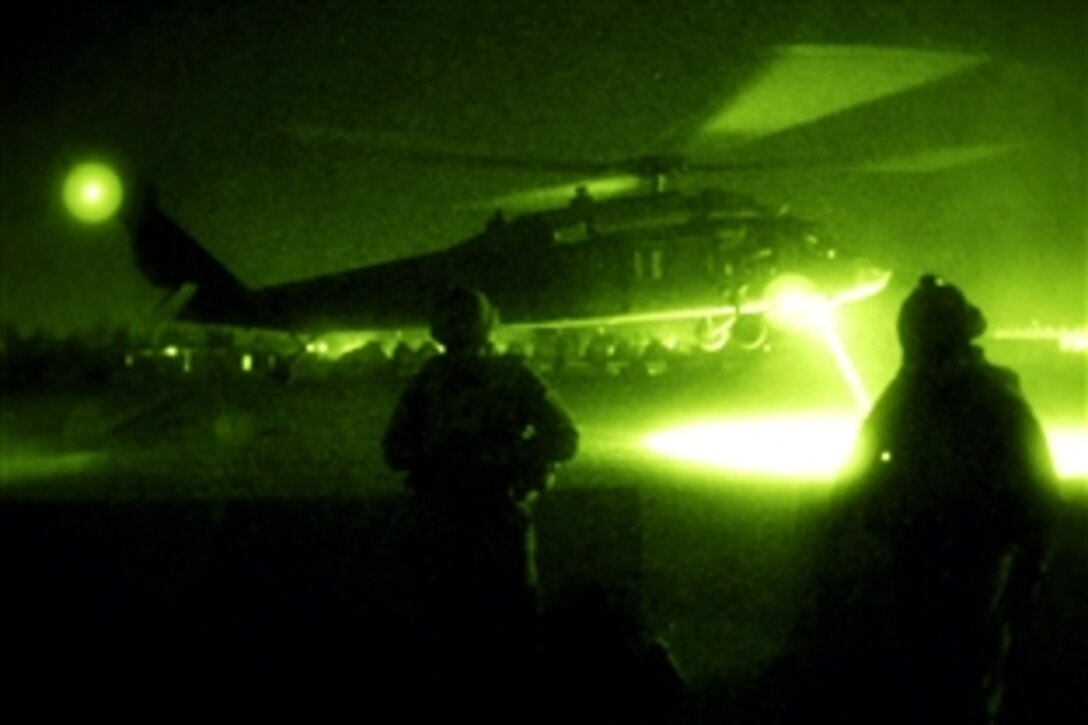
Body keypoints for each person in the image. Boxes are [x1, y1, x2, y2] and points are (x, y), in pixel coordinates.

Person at [809, 274, 1059, 724]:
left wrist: (1027, 571)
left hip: (969, 563)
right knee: (937, 684)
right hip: (929, 559)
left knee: (959, 686)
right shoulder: (931, 394)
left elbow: (1035, 490)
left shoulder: (983, 400)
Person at [381, 286, 578, 712]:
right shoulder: (433, 382)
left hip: (489, 515)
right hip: (455, 519)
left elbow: (564, 437)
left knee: (499, 631)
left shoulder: (504, 378)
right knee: (467, 629)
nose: (457, 327)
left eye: (463, 318)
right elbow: (394, 449)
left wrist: (501, 461)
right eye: (452, 318)